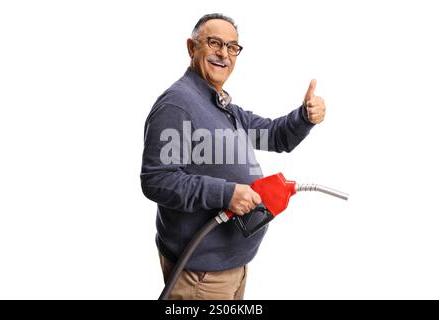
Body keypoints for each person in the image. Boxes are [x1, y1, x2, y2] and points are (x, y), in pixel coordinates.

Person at [140, 13, 326, 300]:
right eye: (214, 43)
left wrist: (304, 117)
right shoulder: (177, 105)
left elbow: (274, 135)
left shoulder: (221, 105)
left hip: (230, 268)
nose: (223, 54)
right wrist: (226, 194)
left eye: (232, 47)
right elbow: (157, 180)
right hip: (200, 278)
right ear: (192, 48)